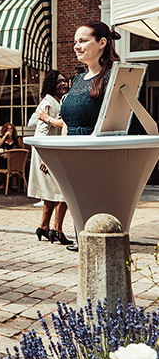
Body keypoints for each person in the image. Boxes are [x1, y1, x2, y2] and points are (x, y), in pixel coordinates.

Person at [59, 20, 121, 251]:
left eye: (83, 41)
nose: (76, 46)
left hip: (96, 152)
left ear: (102, 43)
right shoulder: (76, 80)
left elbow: (116, 120)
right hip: (72, 152)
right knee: (76, 203)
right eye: (75, 42)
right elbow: (67, 121)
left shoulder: (113, 77)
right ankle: (81, 237)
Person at [28, 70, 70, 245]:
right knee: (64, 192)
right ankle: (57, 230)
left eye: (65, 81)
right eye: (59, 81)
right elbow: (41, 132)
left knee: (52, 193)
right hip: (47, 152)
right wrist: (45, 158)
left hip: (52, 151)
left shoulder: (58, 101)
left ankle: (44, 227)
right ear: (51, 84)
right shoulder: (48, 102)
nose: (63, 83)